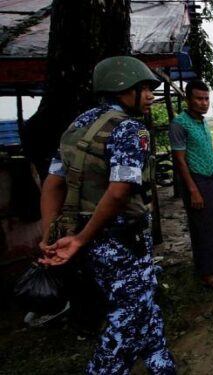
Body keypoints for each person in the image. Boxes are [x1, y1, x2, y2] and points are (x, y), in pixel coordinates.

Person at [38, 56, 176, 374]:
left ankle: (161, 365)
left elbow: (53, 184)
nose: (151, 96)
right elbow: (120, 190)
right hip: (121, 241)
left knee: (145, 306)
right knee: (124, 325)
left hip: (91, 242)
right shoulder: (129, 129)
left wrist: (52, 235)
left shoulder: (78, 125)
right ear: (123, 89)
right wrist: (79, 239)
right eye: (145, 89)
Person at [169, 80, 213, 289]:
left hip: (212, 179)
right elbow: (180, 160)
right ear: (187, 99)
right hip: (196, 181)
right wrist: (192, 190)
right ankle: (208, 273)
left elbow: (207, 153)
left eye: (206, 98)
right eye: (198, 98)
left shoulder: (203, 122)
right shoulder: (179, 124)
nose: (203, 102)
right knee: (203, 228)